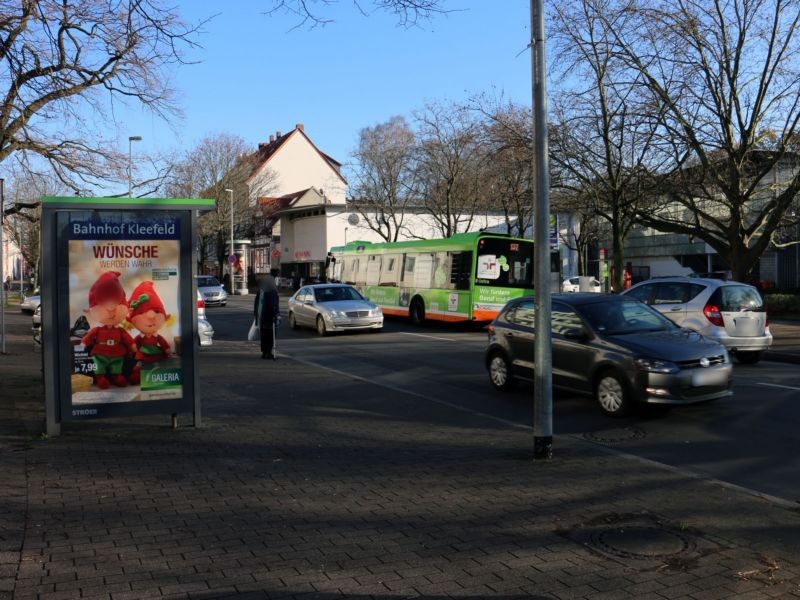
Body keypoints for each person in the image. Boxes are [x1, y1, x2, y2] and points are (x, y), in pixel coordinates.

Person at [254, 273, 280, 359]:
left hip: (261, 317)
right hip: (269, 317)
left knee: (263, 335)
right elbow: (273, 305)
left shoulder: (261, 290)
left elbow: (256, 304)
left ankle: (264, 352)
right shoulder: (272, 291)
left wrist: (256, 316)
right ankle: (268, 352)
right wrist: (276, 314)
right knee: (270, 335)